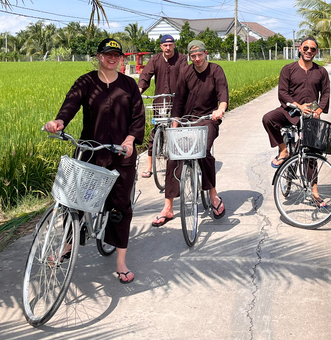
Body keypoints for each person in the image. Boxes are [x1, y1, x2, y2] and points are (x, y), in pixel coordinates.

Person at [44, 38, 145, 284]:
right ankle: (67, 246)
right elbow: (71, 104)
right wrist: (59, 122)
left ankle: (121, 262)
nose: (112, 58)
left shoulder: (129, 85)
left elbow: (138, 117)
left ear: (121, 59)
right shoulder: (86, 82)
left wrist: (130, 140)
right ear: (99, 56)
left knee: (121, 207)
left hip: (121, 155)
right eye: (107, 54)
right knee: (74, 202)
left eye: (116, 55)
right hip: (91, 152)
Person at [151, 40, 229, 226]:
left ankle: (213, 195)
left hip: (208, 119)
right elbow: (179, 100)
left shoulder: (216, 71)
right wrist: (175, 126)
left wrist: (220, 110)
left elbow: (223, 95)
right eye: (193, 56)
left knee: (203, 151)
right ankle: (168, 206)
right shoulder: (186, 72)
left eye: (199, 55)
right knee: (173, 156)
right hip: (187, 119)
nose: (197, 59)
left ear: (206, 53)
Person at [261, 36, 330, 167]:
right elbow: (282, 92)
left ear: (316, 52)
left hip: (310, 115)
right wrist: (299, 106)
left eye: (312, 49)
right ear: (300, 49)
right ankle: (283, 150)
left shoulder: (321, 71)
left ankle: (313, 187)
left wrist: (319, 110)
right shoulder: (288, 69)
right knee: (268, 119)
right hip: (290, 111)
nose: (308, 51)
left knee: (311, 151)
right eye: (306, 48)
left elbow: (326, 92)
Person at [137, 34, 185, 178]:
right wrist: (138, 92)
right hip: (160, 102)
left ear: (174, 45)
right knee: (155, 132)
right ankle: (149, 165)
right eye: (165, 45)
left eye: (170, 45)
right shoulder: (155, 60)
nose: (168, 48)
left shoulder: (181, 59)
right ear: (161, 46)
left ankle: (180, 163)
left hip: (177, 101)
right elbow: (145, 76)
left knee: (178, 131)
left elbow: (184, 77)